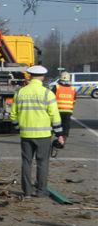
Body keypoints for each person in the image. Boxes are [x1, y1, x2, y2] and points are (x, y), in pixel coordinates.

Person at [10, 65, 64, 198]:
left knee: (26, 162)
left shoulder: (20, 92)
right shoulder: (47, 93)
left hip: (26, 135)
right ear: (43, 77)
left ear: (29, 76)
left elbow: (12, 115)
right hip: (43, 135)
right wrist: (59, 135)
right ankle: (41, 191)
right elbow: (55, 117)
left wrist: (19, 128)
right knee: (42, 163)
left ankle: (27, 191)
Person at [51, 71, 76, 139]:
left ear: (60, 79)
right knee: (66, 125)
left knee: (55, 123)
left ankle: (57, 136)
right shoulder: (72, 88)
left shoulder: (56, 87)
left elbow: (50, 98)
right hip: (68, 111)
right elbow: (74, 101)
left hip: (57, 110)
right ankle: (64, 138)